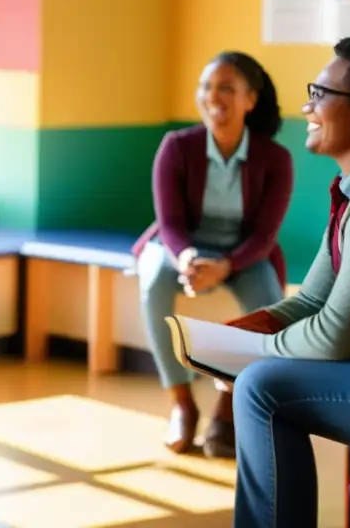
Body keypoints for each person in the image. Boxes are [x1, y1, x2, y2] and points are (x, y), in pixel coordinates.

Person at [230, 34, 350, 527]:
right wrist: (235, 335)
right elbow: (313, 298)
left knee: (259, 386)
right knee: (258, 377)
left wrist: (253, 353)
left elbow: (335, 336)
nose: (306, 106)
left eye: (320, 94)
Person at [131, 51, 292, 457]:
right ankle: (181, 402)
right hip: (181, 245)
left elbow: (265, 235)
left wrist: (226, 266)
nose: (213, 96)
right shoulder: (176, 147)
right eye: (206, 86)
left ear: (249, 100)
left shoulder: (275, 159)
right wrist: (185, 257)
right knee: (152, 281)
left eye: (226, 88)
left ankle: (226, 406)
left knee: (270, 302)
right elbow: (168, 223)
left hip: (244, 252)